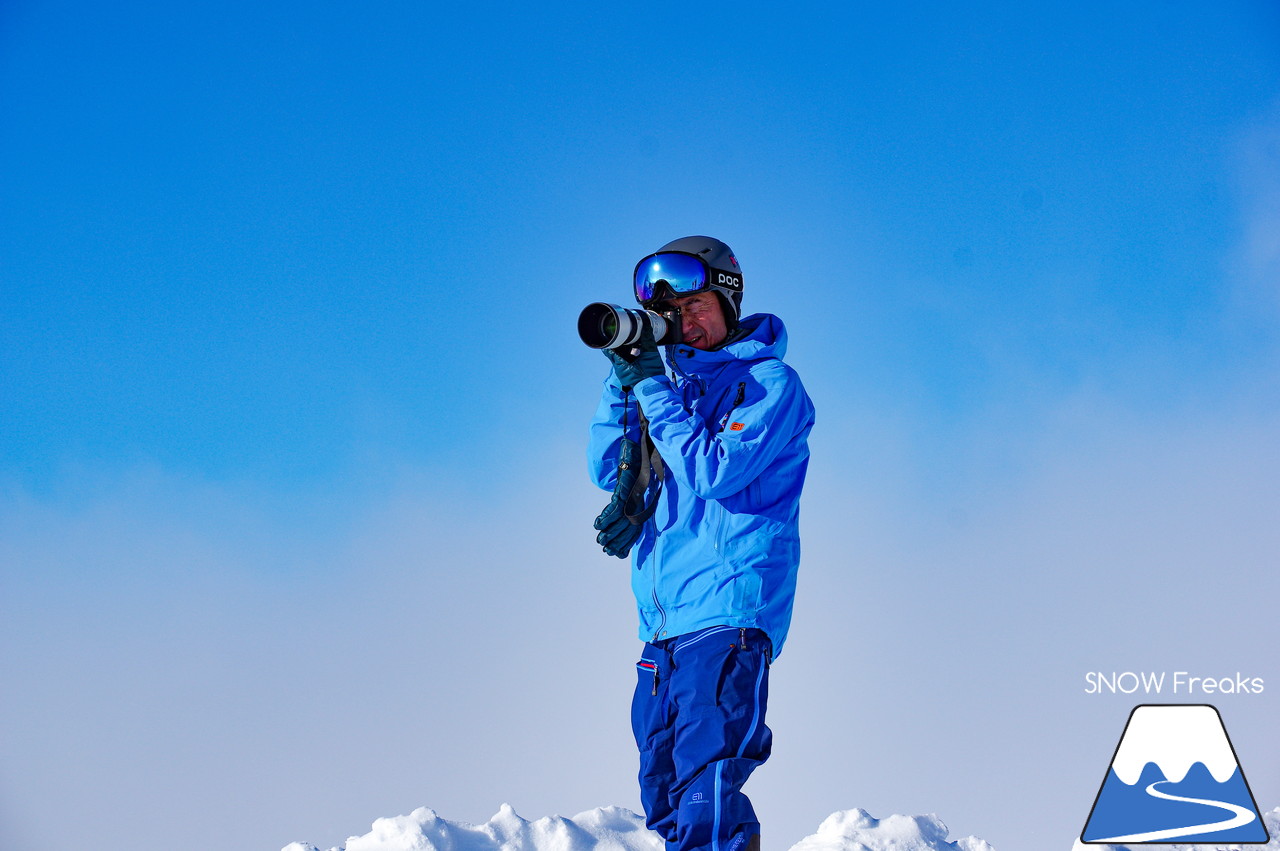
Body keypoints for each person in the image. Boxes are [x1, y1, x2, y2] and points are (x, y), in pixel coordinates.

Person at [586, 236, 816, 851]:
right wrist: (624, 382)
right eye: (672, 315)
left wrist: (654, 390)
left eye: (697, 307)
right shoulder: (671, 388)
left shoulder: (768, 385)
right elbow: (606, 469)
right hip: (663, 623)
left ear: (729, 301)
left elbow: (716, 470)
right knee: (663, 795)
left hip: (730, 609)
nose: (685, 323)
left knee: (707, 786)